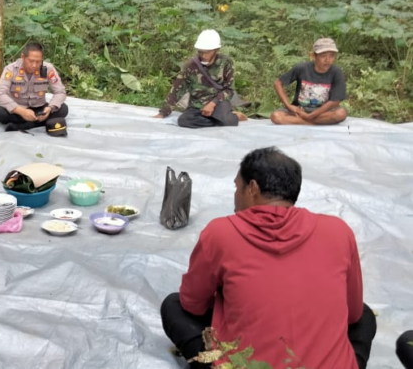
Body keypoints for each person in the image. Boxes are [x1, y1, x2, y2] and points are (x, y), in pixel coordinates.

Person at [160, 147, 376, 369]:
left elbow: (193, 304)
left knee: (173, 305)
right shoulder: (338, 231)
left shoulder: (220, 232)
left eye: (237, 187)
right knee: (365, 315)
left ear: (252, 188)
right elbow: (353, 314)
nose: (235, 196)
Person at [154, 29, 247, 128]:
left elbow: (229, 90)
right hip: (197, 105)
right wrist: (163, 113)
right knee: (184, 121)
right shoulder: (190, 65)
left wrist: (212, 103)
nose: (203, 55)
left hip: (218, 103)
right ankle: (217, 120)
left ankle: (230, 117)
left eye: (207, 52)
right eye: (200, 52)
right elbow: (177, 89)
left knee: (227, 122)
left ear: (216, 50)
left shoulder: (226, 63)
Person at [271, 38, 348, 125]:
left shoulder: (336, 72)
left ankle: (303, 122)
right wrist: (288, 105)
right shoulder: (302, 68)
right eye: (323, 56)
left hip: (324, 111)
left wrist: (310, 116)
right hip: (300, 109)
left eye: (331, 56)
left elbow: (335, 101)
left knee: (340, 113)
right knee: (276, 116)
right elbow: (278, 83)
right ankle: (315, 123)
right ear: (314, 56)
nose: (327, 59)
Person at [0, 42, 68, 133]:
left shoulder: (48, 69)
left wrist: (49, 108)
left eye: (38, 62)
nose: (34, 65)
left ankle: (25, 125)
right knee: (0, 113)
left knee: (63, 109)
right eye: (31, 61)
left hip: (39, 108)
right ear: (22, 57)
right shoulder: (11, 69)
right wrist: (21, 111)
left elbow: (60, 92)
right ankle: (37, 123)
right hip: (18, 109)